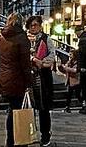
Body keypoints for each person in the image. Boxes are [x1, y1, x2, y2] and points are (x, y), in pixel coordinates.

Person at [0, 13, 32, 147]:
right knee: (18, 111)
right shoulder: (21, 39)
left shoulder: (3, 37)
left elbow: (0, 57)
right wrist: (29, 83)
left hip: (5, 77)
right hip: (18, 79)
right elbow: (25, 65)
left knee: (12, 109)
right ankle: (18, 140)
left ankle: (10, 140)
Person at [27, 15, 55, 147]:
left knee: (44, 108)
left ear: (40, 26)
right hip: (28, 77)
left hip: (43, 77)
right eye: (31, 25)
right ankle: (27, 134)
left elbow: (52, 55)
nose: (33, 28)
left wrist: (41, 62)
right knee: (28, 107)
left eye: (35, 25)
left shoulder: (46, 39)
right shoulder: (25, 39)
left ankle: (45, 135)